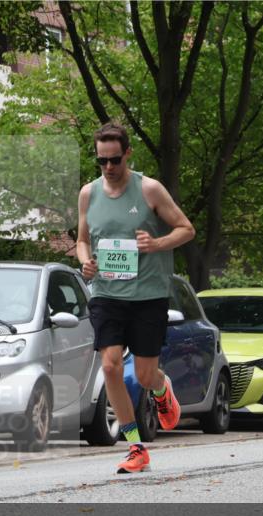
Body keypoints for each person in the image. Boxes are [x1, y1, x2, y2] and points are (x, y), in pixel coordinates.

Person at [76, 123, 195, 474]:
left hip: (148, 295)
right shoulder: (88, 193)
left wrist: (157, 244)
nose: (109, 167)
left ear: (128, 153)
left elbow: (186, 229)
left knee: (144, 375)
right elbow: (82, 240)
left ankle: (161, 388)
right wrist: (85, 262)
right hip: (107, 293)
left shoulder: (149, 189)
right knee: (110, 365)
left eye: (115, 160)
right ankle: (135, 446)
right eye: (102, 161)